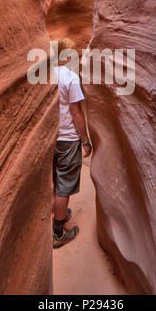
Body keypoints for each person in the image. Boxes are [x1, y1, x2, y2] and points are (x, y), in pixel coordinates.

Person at [53, 38, 92, 249]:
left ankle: (60, 212)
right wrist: (84, 140)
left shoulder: (47, 75)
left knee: (55, 179)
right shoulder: (71, 77)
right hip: (68, 138)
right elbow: (76, 112)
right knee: (65, 186)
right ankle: (58, 232)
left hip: (51, 138)